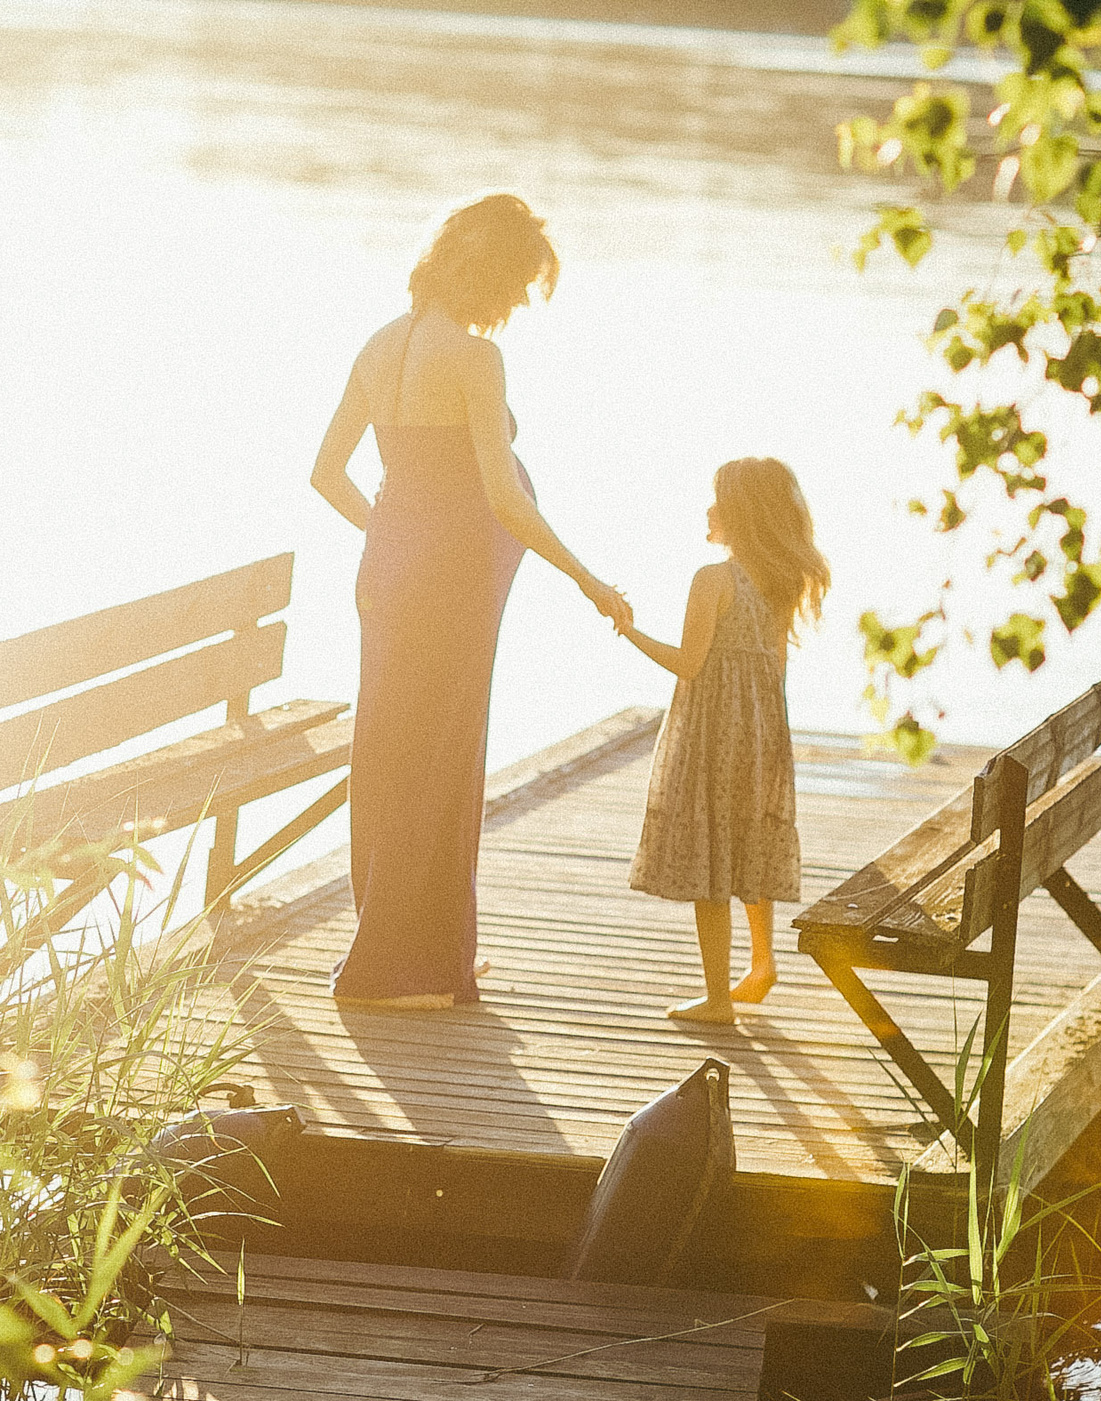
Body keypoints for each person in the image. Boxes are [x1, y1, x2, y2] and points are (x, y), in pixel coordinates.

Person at [310, 194, 631, 1011]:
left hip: (387, 574)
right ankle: (396, 969)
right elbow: (504, 498)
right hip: (448, 583)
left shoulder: (379, 345)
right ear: (489, 276)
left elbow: (326, 474)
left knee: (388, 755)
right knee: (440, 759)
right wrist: (587, 578)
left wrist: (391, 528)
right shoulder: (475, 360)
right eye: (520, 284)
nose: (521, 303)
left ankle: (413, 949)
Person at [616, 457, 831, 1024]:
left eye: (716, 500)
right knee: (747, 840)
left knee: (711, 852)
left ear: (739, 513)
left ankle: (716, 1000)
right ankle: (762, 966)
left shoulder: (713, 580)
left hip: (713, 729)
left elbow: (689, 663)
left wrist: (628, 629)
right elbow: (776, 665)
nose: (708, 509)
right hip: (761, 730)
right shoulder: (780, 580)